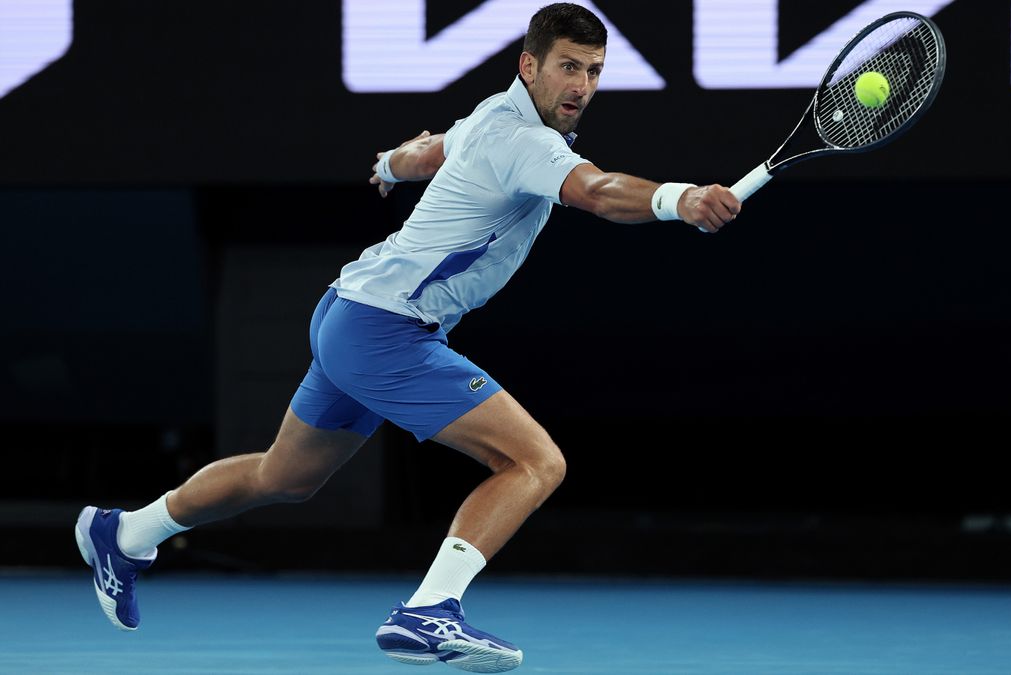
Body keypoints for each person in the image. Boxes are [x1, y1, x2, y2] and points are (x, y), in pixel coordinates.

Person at [74, 3, 739, 671]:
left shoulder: (492, 115)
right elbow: (596, 189)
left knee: (287, 473)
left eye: (593, 71)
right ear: (529, 65)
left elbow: (431, 151)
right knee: (536, 462)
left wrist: (391, 162)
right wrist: (679, 199)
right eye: (568, 67)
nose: (581, 86)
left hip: (348, 311)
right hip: (385, 331)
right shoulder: (525, 142)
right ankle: (429, 611)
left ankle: (126, 530)